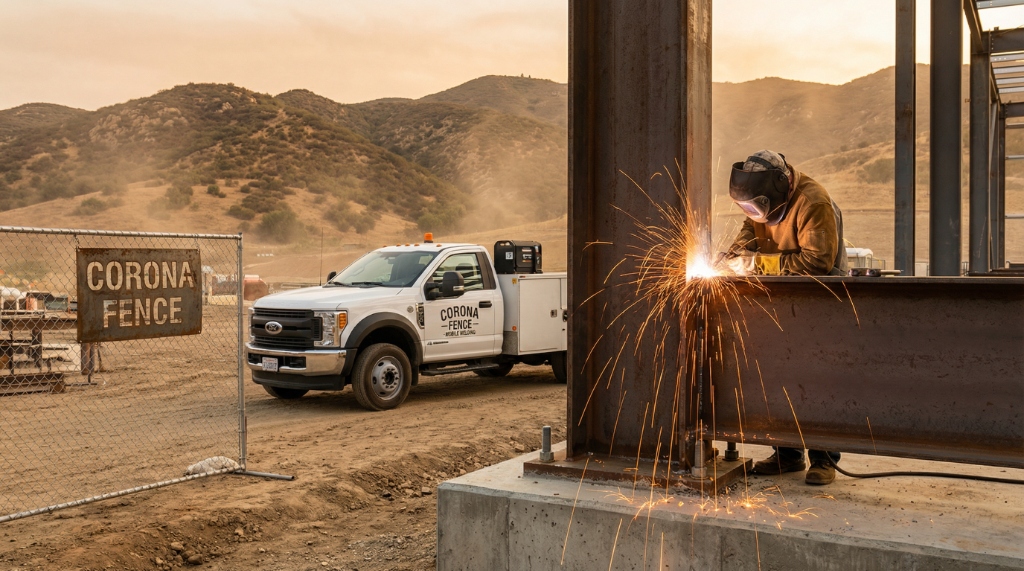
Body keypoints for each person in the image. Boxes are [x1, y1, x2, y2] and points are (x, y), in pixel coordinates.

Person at [718, 149, 847, 485]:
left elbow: (817, 264)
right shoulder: (763, 202)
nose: (753, 214)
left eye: (757, 207)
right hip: (778, 302)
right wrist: (735, 252)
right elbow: (752, 226)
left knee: (816, 379)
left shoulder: (812, 202)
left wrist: (755, 264)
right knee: (776, 376)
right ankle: (787, 455)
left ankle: (823, 459)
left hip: (818, 302)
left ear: (781, 187)